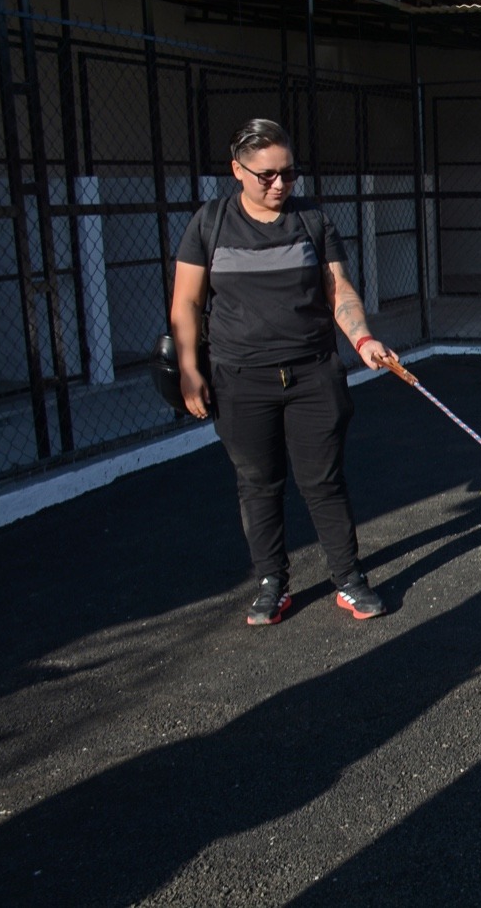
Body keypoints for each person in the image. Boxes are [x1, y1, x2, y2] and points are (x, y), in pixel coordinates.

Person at [169, 118, 395, 626]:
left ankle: (348, 579)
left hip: (312, 373)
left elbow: (338, 289)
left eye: (289, 173)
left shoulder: (312, 220)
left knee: (324, 481)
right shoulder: (210, 223)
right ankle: (272, 583)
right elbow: (186, 301)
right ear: (237, 170)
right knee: (258, 483)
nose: (279, 184)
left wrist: (362, 338)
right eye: (266, 175)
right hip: (240, 378)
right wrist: (187, 368)